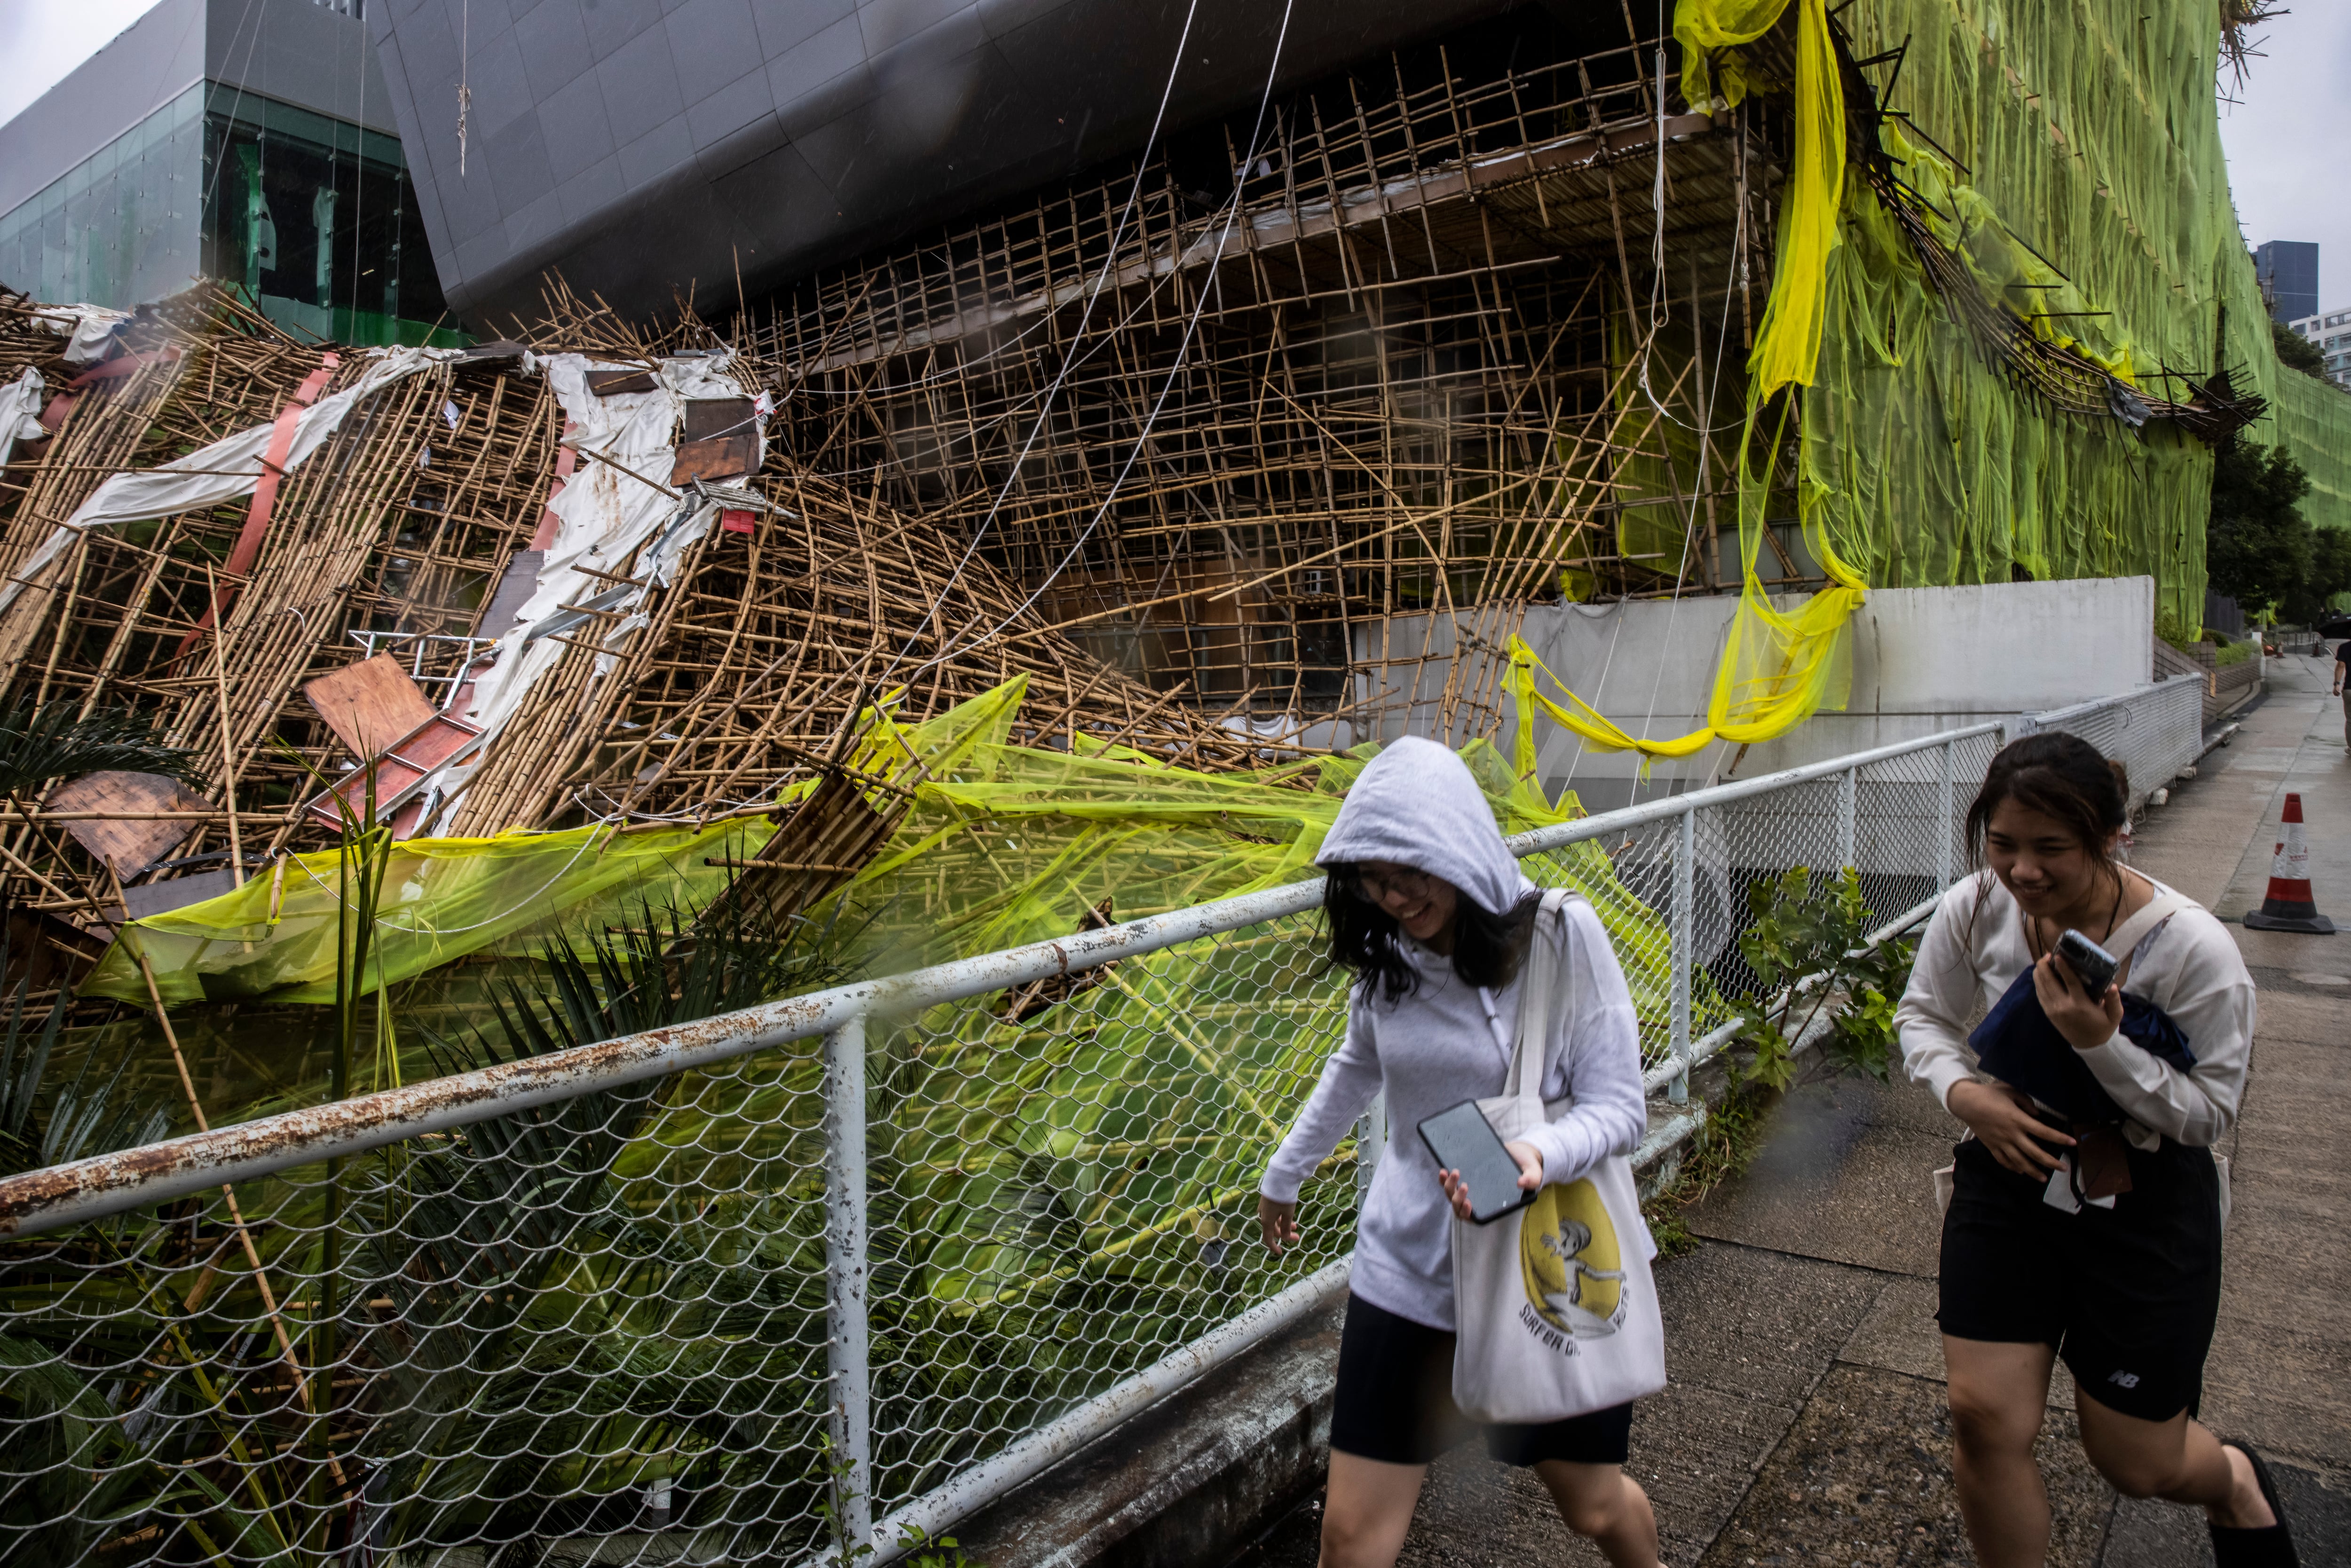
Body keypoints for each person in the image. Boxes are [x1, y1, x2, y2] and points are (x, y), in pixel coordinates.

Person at [1255, 737, 1662, 1568]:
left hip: (1535, 1265)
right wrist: (1285, 1172)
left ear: (1459, 845)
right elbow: (1356, 1066)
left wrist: (1537, 1153)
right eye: (1373, 879)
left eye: (1411, 871)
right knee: (1350, 1536)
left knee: (1590, 1505)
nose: (1395, 897)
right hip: (1407, 1271)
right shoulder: (1388, 962)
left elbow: (1621, 1108)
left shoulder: (1561, 938)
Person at [1894, 733, 2297, 1566]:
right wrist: (1967, 1094)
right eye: (2003, 844)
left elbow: (2208, 1114)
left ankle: (2233, 1482)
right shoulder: (1975, 906)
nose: (2023, 870)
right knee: (1983, 1415)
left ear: (2113, 836)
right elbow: (1923, 1014)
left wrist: (2099, 1043)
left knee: (2138, 1463)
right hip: (2012, 1169)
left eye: (2051, 848)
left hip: (2145, 1196)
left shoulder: (2196, 951)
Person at [2334, 639, 2347, 749]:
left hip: (2350, 689)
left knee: (2350, 720)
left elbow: (2341, 666)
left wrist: (2337, 684)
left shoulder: (2344, 648)